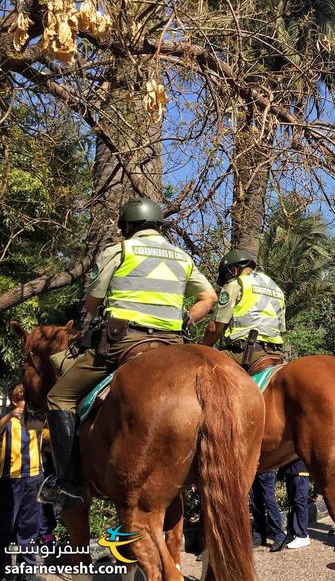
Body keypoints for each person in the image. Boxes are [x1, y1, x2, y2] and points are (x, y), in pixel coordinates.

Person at [45, 198, 217, 505]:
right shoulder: (182, 257)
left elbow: (92, 300)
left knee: (59, 397)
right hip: (171, 343)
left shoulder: (120, 250)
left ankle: (68, 482)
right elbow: (209, 296)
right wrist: (185, 318)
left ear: (127, 226)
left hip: (123, 342)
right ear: (158, 226)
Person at [202, 250, 285, 369]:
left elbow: (214, 327)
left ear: (234, 269)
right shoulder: (277, 289)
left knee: (202, 368)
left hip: (245, 353)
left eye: (226, 275)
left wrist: (202, 349)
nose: (227, 279)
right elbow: (281, 327)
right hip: (276, 352)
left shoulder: (236, 284)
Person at [1, 384, 48, 581]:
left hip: (34, 478)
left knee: (29, 528)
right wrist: (11, 415)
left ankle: (26, 572)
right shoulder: (7, 421)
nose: (27, 407)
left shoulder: (35, 421)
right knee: (5, 526)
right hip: (9, 479)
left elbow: (50, 436)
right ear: (14, 402)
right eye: (24, 403)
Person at [250, 470, 285, 551]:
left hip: (267, 469)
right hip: (253, 471)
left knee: (269, 501)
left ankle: (279, 536)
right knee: (256, 502)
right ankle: (259, 536)